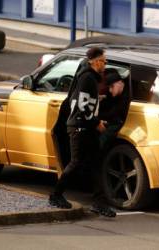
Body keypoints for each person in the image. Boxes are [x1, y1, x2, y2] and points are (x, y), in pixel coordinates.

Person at [49, 47, 116, 217]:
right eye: (103, 60)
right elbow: (82, 105)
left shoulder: (91, 79)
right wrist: (97, 123)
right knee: (76, 162)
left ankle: (98, 203)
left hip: (85, 126)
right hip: (79, 127)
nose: (105, 63)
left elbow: (80, 100)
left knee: (95, 163)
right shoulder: (87, 78)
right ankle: (55, 196)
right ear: (94, 61)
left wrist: (97, 99)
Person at [98, 68, 127, 152]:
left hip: (118, 123)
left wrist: (96, 117)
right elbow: (110, 98)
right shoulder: (117, 93)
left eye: (111, 87)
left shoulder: (125, 98)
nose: (110, 90)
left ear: (119, 83)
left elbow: (112, 113)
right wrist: (103, 97)